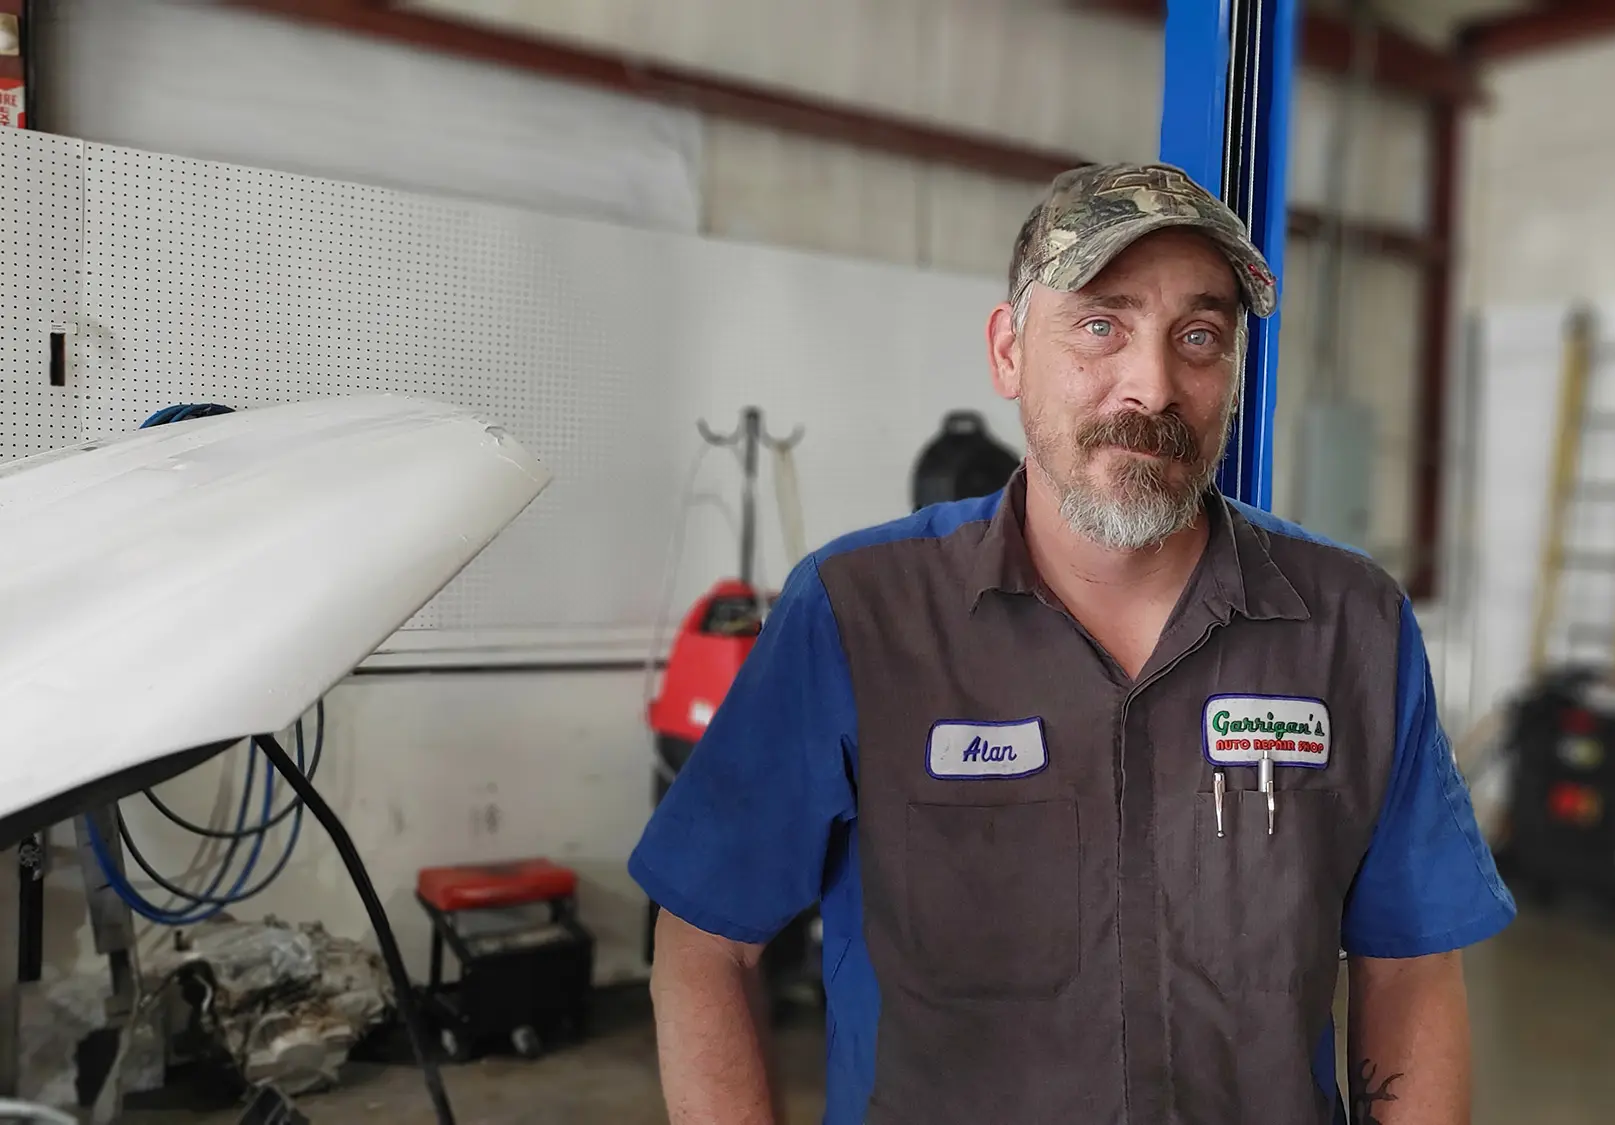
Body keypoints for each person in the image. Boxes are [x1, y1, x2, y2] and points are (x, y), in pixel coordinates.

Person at [629, 162, 1516, 1125]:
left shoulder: (1350, 625)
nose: (1154, 385)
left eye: (1200, 336)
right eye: (1101, 325)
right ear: (1009, 351)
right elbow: (705, 943)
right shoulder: (858, 615)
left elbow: (1410, 965)